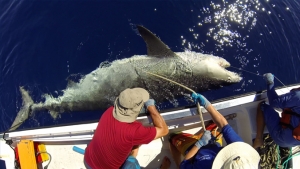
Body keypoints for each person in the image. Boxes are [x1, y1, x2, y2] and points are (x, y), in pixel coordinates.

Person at [169, 93, 260, 169]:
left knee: (172, 138)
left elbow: (185, 163)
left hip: (193, 151)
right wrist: (207, 105)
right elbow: (224, 125)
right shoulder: (240, 151)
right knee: (214, 123)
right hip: (214, 142)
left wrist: (199, 144)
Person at [84, 88, 169, 169]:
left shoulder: (109, 111)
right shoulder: (133, 131)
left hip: (88, 160)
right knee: (133, 158)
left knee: (133, 145)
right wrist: (150, 106)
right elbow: (164, 130)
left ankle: (132, 155)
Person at [253, 73, 300, 149]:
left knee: (262, 106)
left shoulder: (298, 95)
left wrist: (270, 83)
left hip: (282, 139)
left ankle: (258, 139)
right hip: (295, 142)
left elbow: (273, 102)